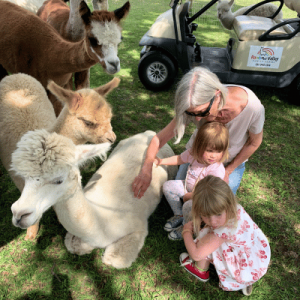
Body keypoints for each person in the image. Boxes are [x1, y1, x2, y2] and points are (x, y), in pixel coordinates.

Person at [132, 67, 264, 199]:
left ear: (217, 95)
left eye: (202, 112)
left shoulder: (252, 108)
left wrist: (228, 171)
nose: (198, 119)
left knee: (217, 202)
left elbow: (254, 143)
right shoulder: (192, 105)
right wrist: (146, 169)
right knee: (183, 195)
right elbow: (159, 139)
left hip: (230, 162)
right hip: (198, 155)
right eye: (192, 114)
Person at [180, 175, 270, 296]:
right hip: (256, 260)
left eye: (217, 214)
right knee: (210, 233)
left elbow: (196, 255)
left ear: (227, 205)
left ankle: (200, 270)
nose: (213, 222)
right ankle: (245, 280)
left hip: (241, 267)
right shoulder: (236, 209)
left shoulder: (222, 232)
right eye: (205, 215)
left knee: (205, 236)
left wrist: (186, 232)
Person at [154, 122, 229, 240]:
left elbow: (211, 194)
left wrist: (191, 196)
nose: (213, 156)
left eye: (218, 152)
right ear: (199, 146)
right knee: (168, 186)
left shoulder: (217, 170)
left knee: (189, 206)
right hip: (186, 188)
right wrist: (161, 161)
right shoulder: (193, 154)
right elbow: (179, 159)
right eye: (209, 150)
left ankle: (187, 226)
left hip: (202, 199)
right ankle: (179, 214)